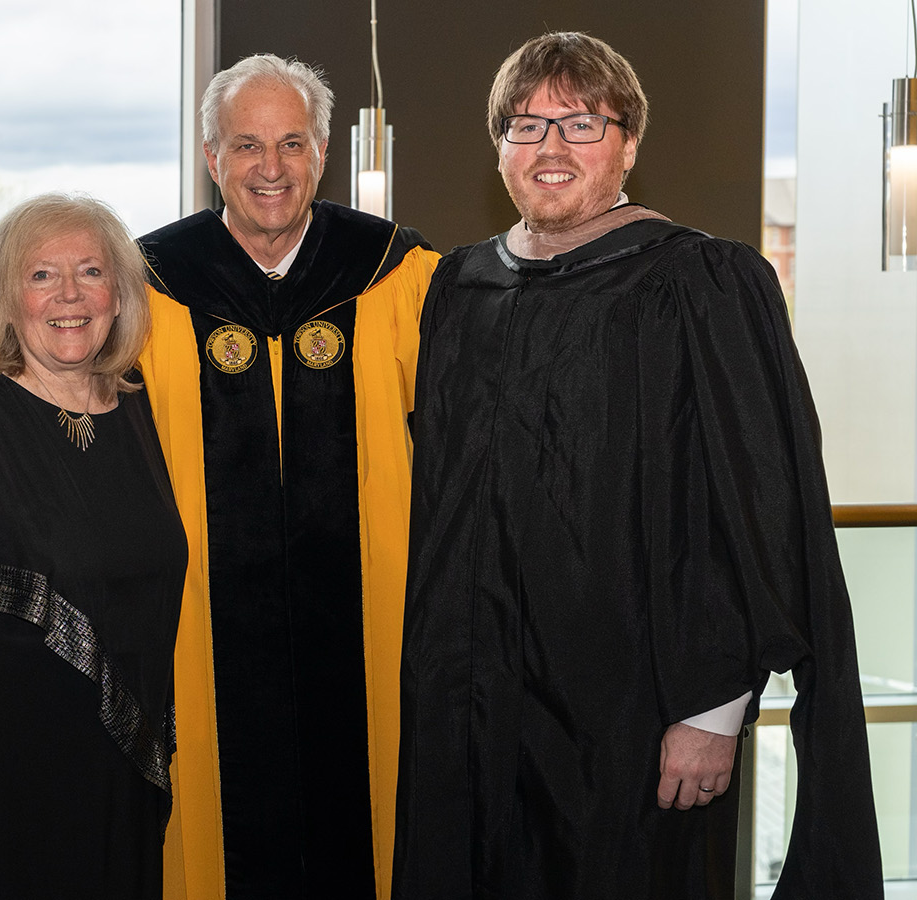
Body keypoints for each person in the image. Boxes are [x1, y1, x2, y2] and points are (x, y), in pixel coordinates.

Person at [394, 31, 882, 899]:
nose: (549, 148)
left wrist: (713, 711)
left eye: (580, 123)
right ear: (498, 146)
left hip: (630, 722)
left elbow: (758, 504)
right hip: (468, 714)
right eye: (525, 125)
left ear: (628, 143)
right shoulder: (462, 289)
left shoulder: (702, 281)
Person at [136, 54, 438, 898]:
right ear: (211, 158)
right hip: (199, 630)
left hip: (371, 627)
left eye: (292, 144)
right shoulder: (150, 285)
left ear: (322, 155)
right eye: (246, 146)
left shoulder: (399, 275)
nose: (271, 169)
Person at [0, 193, 187, 899]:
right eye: (42, 276)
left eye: (90, 271)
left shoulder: (145, 411)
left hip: (123, 772)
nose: (70, 296)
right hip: (3, 775)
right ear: (7, 298)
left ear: (119, 295)